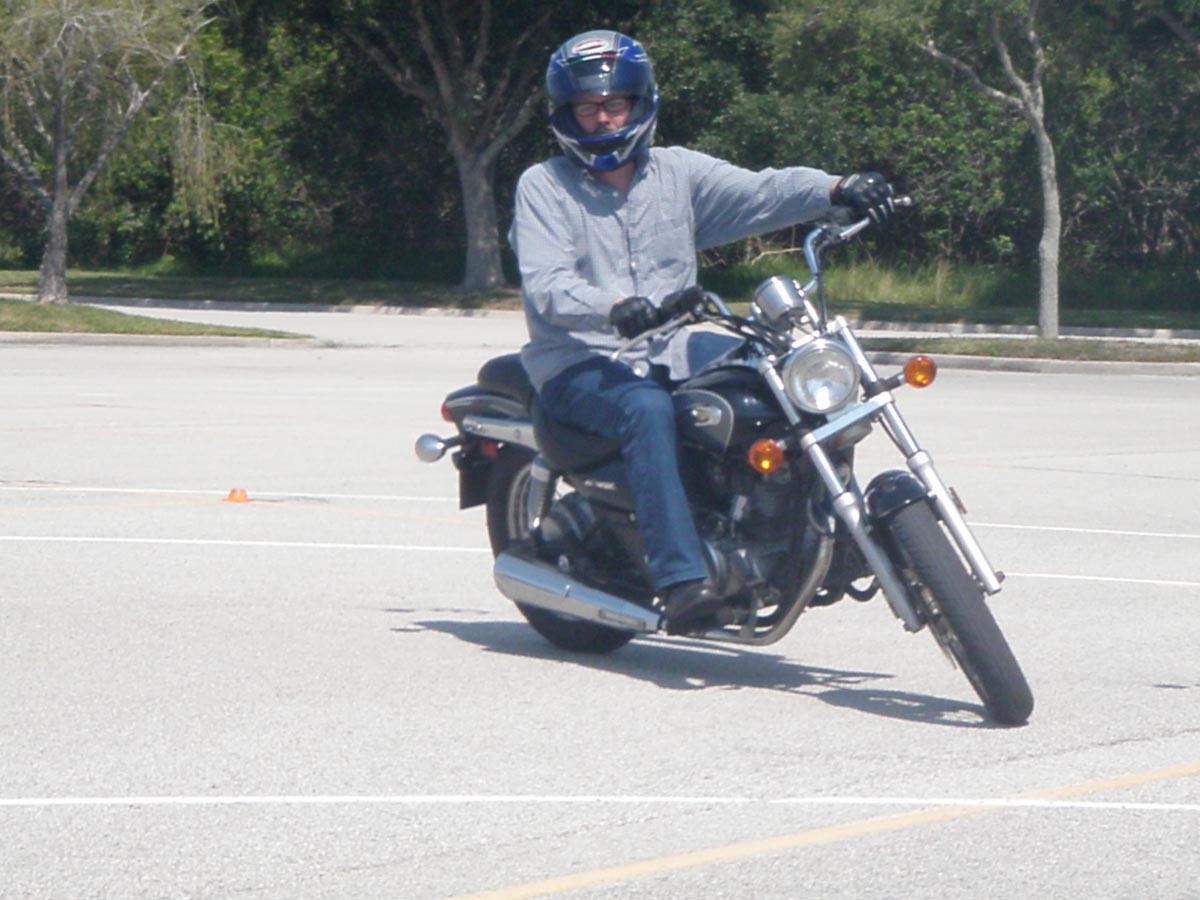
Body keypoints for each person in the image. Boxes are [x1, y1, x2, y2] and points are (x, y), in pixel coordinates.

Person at [507, 29, 898, 634]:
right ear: (565, 115)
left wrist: (835, 187)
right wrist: (616, 306)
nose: (603, 118)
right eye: (587, 108)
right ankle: (681, 578)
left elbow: (762, 191)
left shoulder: (677, 172)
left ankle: (817, 525)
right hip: (580, 359)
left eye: (615, 104)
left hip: (675, 346)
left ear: (640, 104)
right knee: (645, 409)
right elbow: (548, 284)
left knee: (780, 370)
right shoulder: (543, 186)